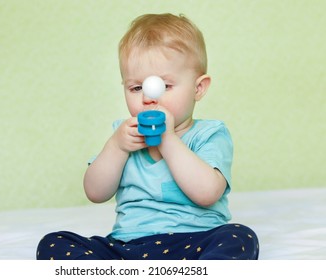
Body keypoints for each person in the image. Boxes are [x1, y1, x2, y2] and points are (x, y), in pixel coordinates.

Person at [36, 13, 259, 260]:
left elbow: (207, 193)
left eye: (164, 86)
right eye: (136, 87)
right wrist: (117, 148)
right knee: (53, 242)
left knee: (239, 237)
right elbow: (95, 193)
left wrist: (169, 140)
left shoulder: (209, 134)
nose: (148, 97)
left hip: (195, 242)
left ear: (198, 88)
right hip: (127, 246)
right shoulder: (124, 136)